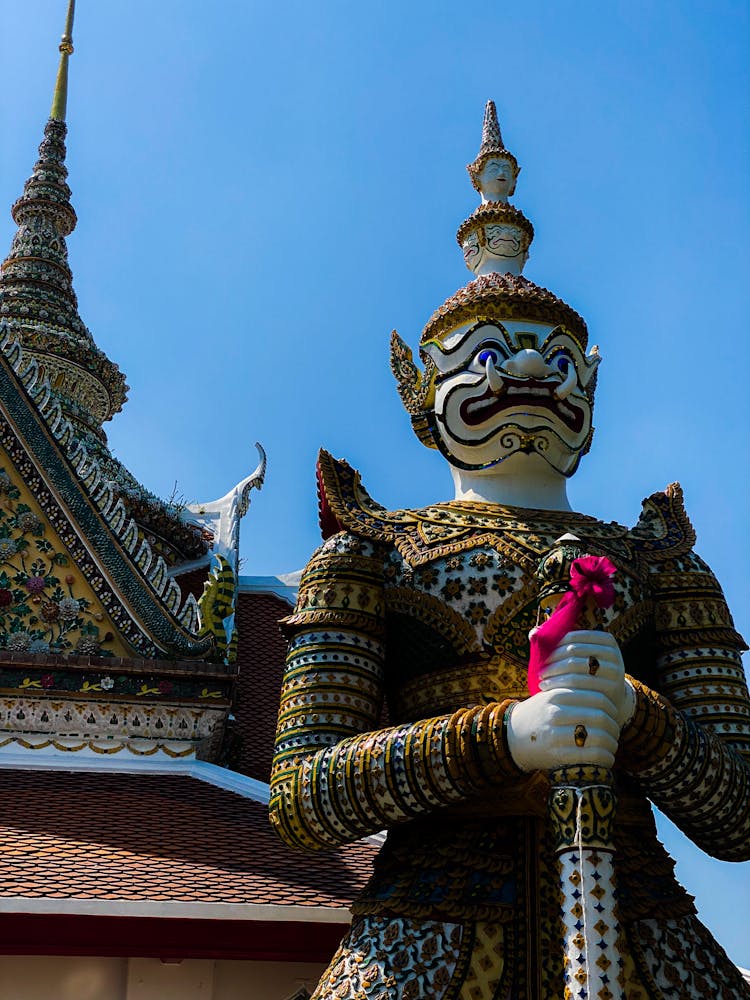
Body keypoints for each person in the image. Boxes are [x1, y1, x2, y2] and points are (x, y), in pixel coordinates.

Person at [269, 101, 750, 1000]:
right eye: (488, 357)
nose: (528, 375)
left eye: (558, 362)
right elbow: (304, 799)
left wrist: (634, 715)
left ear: (591, 388)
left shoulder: (663, 564)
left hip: (640, 929)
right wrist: (504, 735)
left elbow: (739, 816)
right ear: (424, 393)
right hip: (425, 938)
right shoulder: (372, 553)